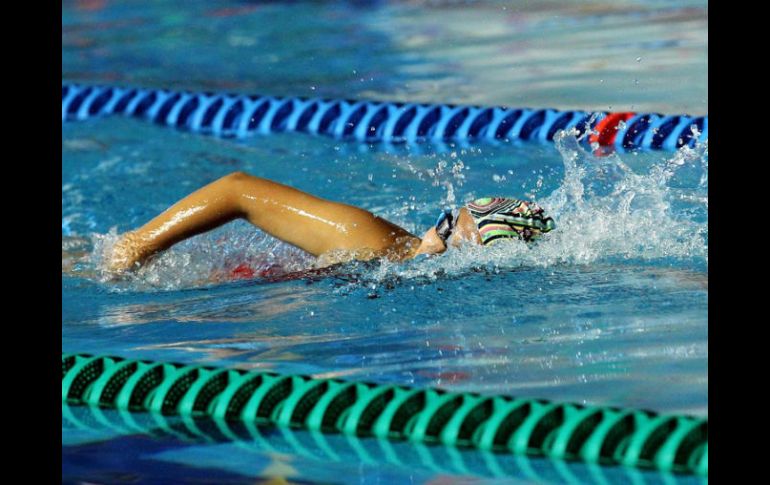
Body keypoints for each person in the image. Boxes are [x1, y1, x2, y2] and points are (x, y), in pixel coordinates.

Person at [107, 171, 555, 272]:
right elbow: (237, 189)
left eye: (448, 237)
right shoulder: (371, 240)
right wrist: (138, 246)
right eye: (441, 227)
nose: (436, 243)